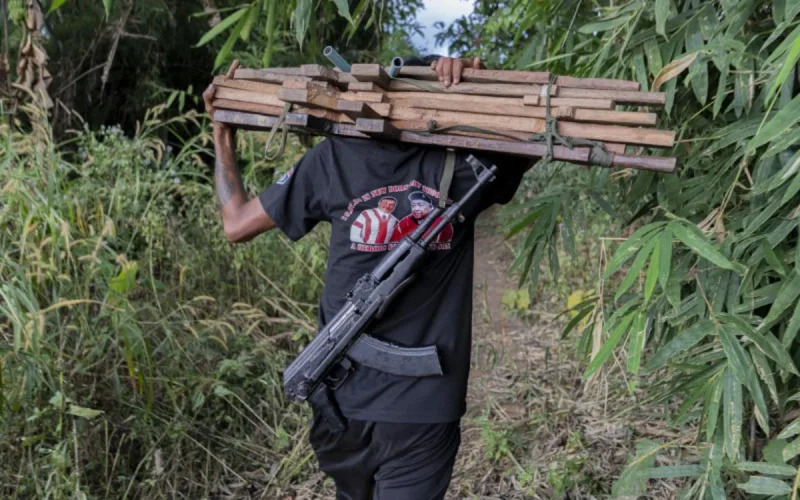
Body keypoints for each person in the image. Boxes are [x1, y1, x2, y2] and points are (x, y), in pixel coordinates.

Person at [204, 55, 533, 500]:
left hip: (410, 409)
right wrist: (475, 82)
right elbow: (236, 226)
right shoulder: (341, 159)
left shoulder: (462, 164)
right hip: (346, 398)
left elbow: (532, 124)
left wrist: (222, 135)